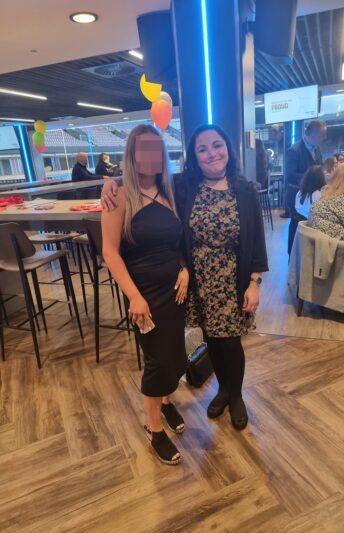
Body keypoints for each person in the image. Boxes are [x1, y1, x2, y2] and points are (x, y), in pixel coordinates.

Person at [101, 124, 268, 431]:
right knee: (212, 338)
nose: (211, 153)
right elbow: (143, 178)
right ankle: (222, 390)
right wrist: (111, 182)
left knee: (231, 341)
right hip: (197, 282)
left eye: (217, 145)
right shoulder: (183, 186)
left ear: (228, 149)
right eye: (202, 149)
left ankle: (236, 395)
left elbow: (257, 241)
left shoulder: (245, 190)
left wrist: (254, 283)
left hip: (232, 279)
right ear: (194, 156)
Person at [101, 124, 189, 465]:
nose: (151, 156)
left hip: (175, 290)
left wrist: (185, 267)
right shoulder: (119, 196)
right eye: (143, 149)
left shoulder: (171, 191)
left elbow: (179, 242)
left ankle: (166, 403)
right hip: (144, 294)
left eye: (156, 148)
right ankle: (154, 429)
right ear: (132, 155)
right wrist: (134, 297)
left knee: (175, 355)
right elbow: (110, 252)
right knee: (157, 360)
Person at [285, 120, 326, 255]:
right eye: (322, 135)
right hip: (298, 197)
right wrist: (311, 178)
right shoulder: (294, 150)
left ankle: (308, 257)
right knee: (296, 226)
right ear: (313, 133)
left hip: (313, 197)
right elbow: (290, 176)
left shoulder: (317, 149)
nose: (324, 138)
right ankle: (292, 257)